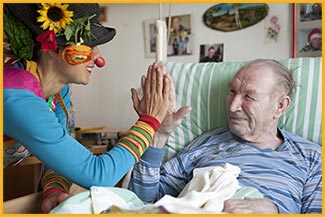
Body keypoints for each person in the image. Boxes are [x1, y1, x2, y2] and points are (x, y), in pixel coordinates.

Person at [3, 3, 170, 213]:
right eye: (89, 45)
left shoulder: (57, 91)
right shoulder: (16, 95)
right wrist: (150, 121)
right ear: (54, 48)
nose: (98, 59)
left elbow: (60, 158)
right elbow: (98, 174)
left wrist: (53, 189)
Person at [129, 59, 322, 214]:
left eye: (249, 97)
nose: (232, 106)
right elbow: (145, 200)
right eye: (232, 92)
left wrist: (276, 210)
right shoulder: (207, 142)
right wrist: (159, 135)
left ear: (280, 106)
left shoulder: (312, 158)